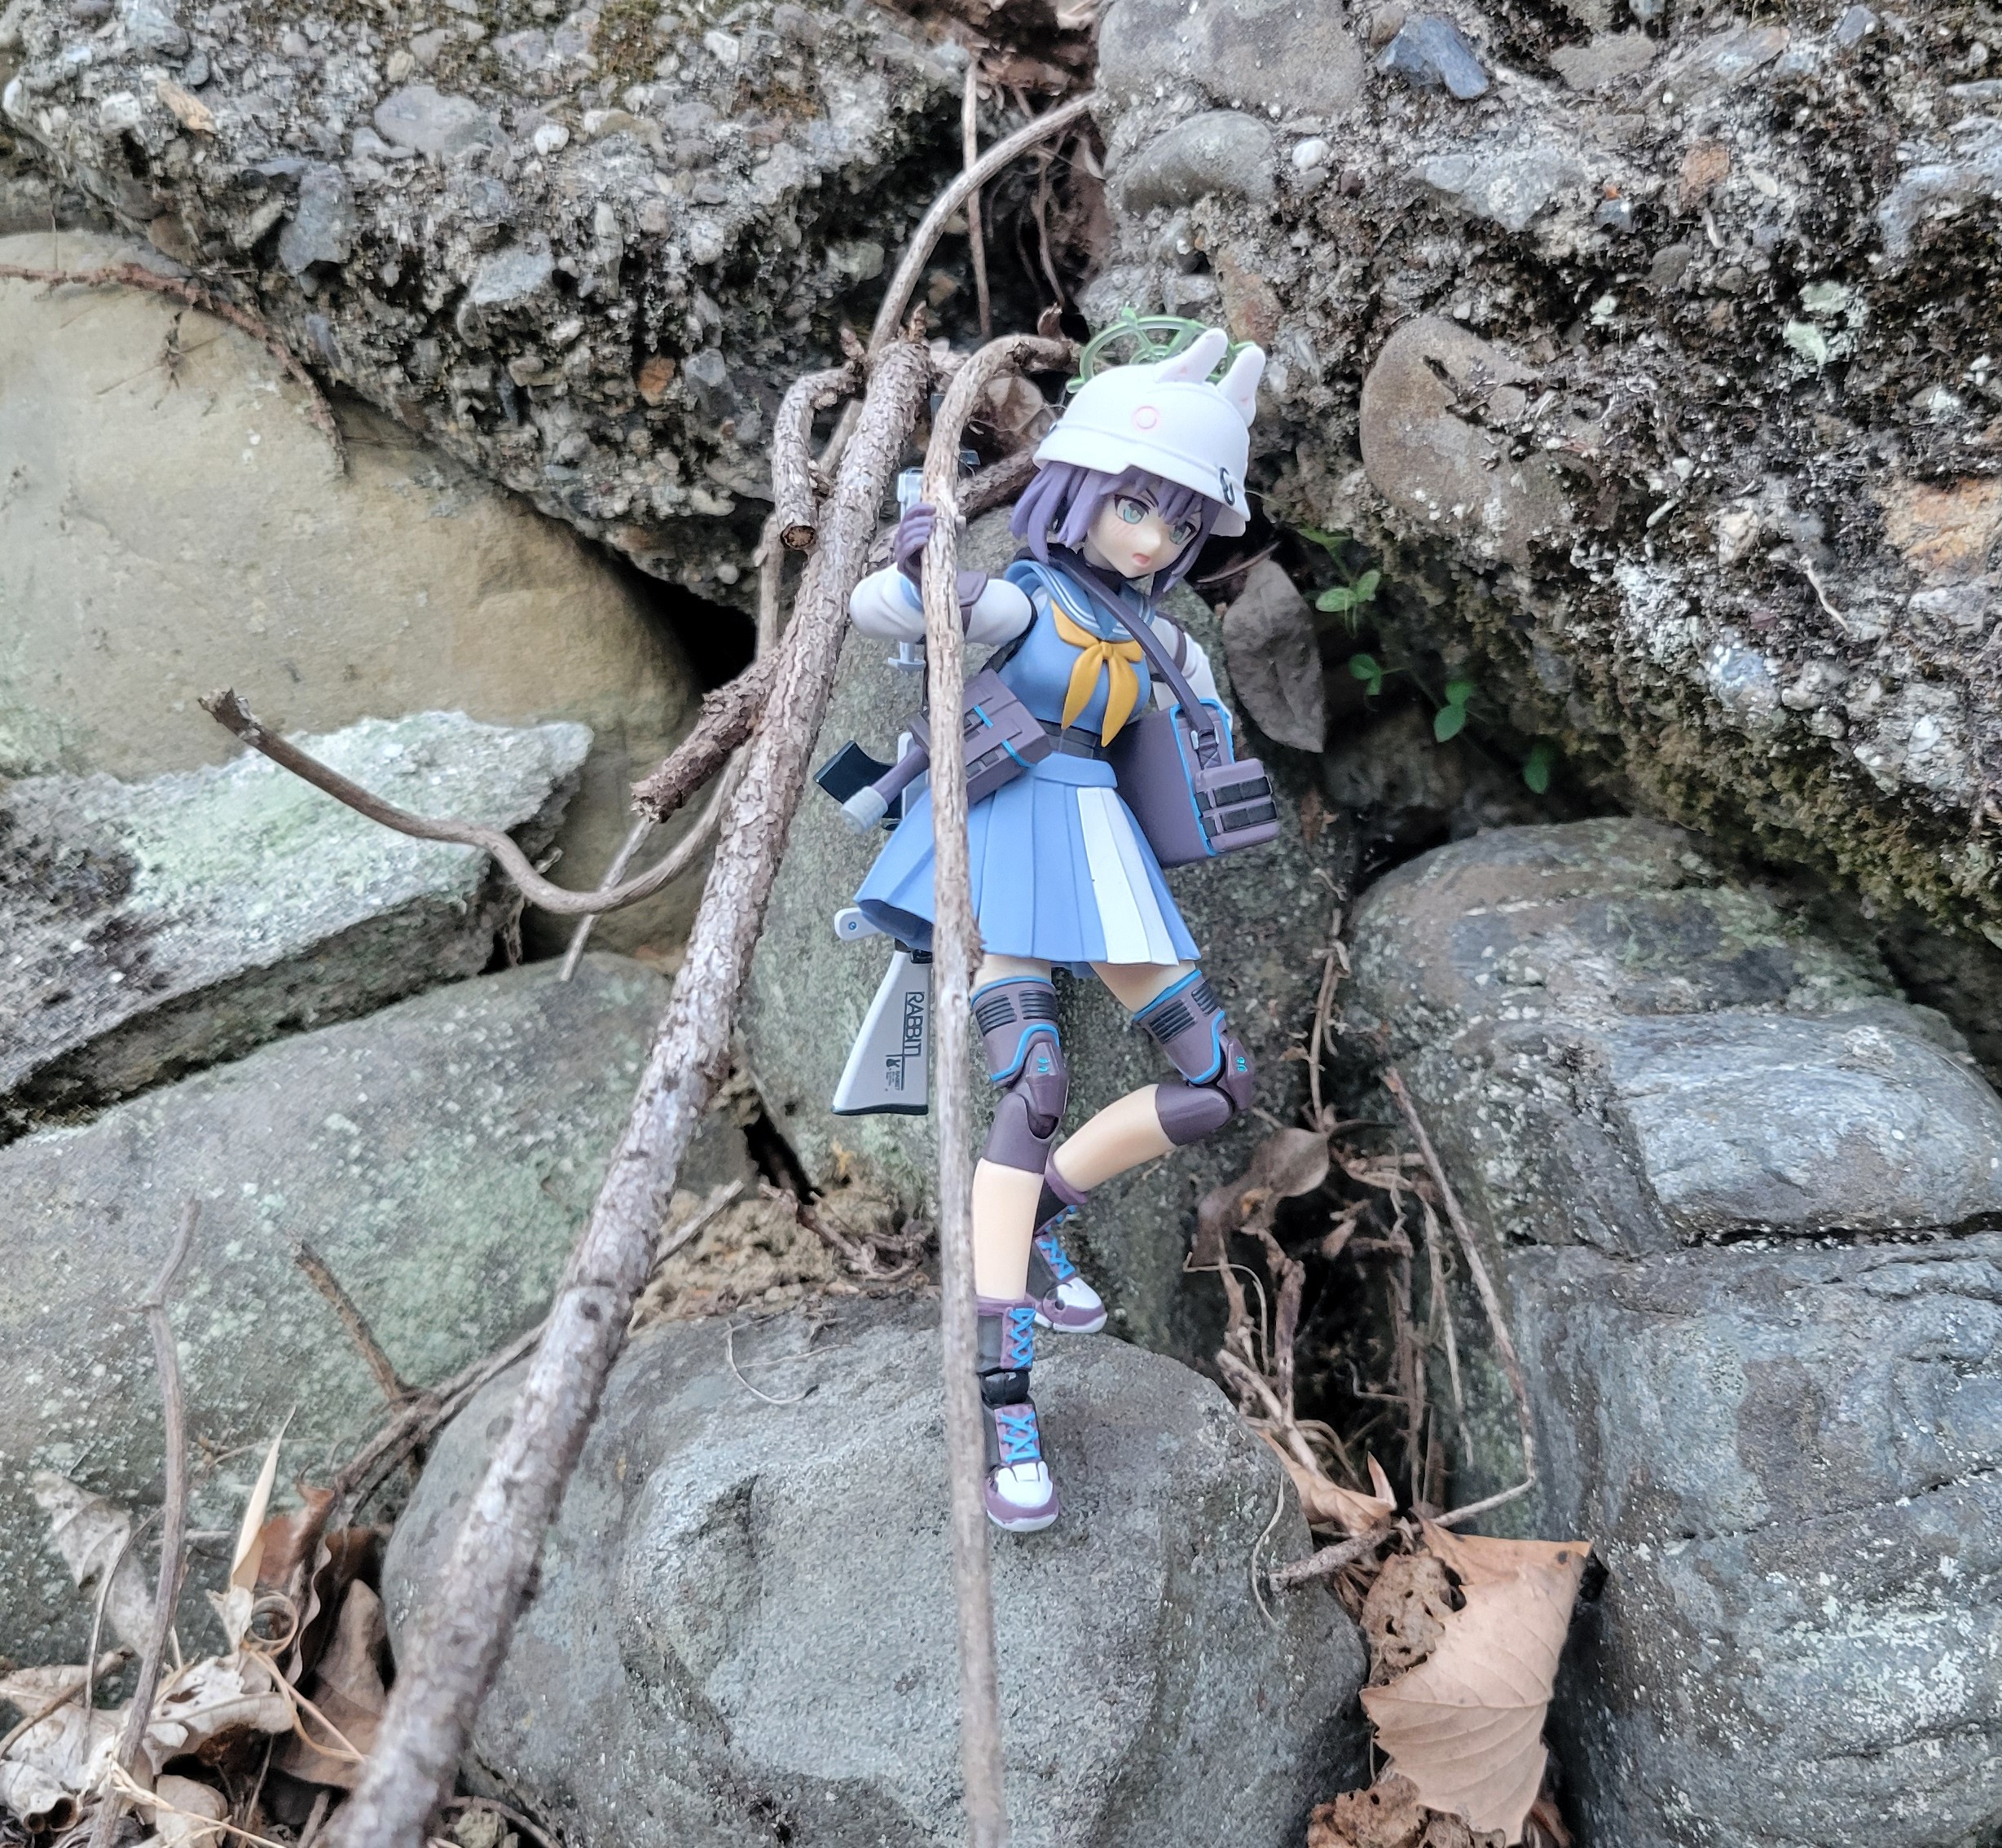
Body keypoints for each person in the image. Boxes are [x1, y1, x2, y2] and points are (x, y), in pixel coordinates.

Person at [844, 324, 1266, 1531]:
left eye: (1180, 523)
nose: (1154, 540)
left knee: (1217, 1082)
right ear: (1079, 490)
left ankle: (1037, 1222)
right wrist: (920, 563)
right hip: (1000, 847)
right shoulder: (1021, 603)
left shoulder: (1162, 638)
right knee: (1031, 1087)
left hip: (1103, 859)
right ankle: (1005, 1396)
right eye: (1135, 507)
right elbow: (892, 609)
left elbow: (1187, 731)